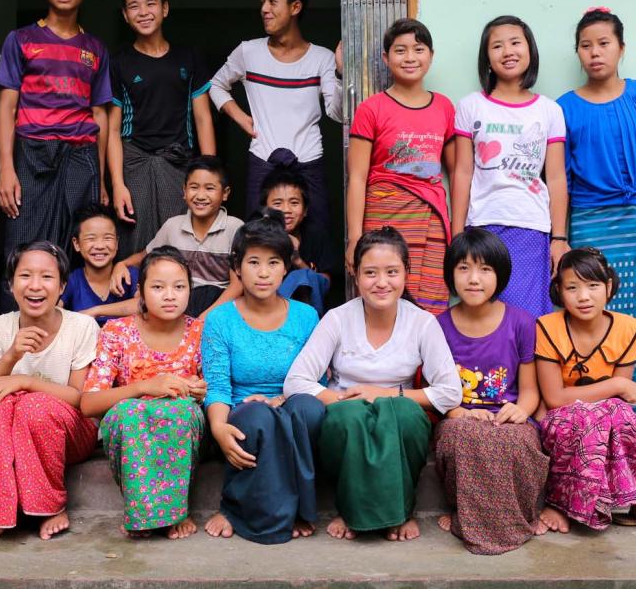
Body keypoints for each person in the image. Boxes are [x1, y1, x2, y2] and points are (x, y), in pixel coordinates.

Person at [557, 8, 636, 458]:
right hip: (592, 222)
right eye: (587, 45)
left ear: (621, 48)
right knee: (595, 321)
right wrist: (561, 236)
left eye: (604, 43)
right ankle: (607, 419)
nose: (595, 52)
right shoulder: (564, 107)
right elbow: (561, 181)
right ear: (578, 52)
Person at [284, 227, 462, 542]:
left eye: (391, 272)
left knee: (405, 416)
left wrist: (385, 394)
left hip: (397, 413)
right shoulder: (337, 319)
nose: (381, 282)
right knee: (350, 418)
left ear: (406, 273)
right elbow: (296, 381)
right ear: (355, 276)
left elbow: (450, 392)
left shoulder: (422, 323)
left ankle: (400, 511)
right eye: (370, 273)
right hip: (346, 413)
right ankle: (352, 511)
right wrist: (341, 399)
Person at [0, 0, 112, 309]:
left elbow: (100, 114)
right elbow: (7, 107)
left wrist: (103, 180)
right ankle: (15, 343)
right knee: (22, 246)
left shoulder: (94, 48)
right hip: (31, 153)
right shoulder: (21, 40)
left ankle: (71, 346)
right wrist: (5, 169)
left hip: (80, 155)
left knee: (76, 249)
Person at [201, 211, 323, 544]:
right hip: (244, 409)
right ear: (237, 268)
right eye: (253, 262)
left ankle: (291, 509)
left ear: (286, 267)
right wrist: (218, 426)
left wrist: (280, 399)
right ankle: (254, 513)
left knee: (309, 410)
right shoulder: (220, 320)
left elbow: (318, 378)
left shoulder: (306, 316)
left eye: (273, 262)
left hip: (292, 400)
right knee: (258, 417)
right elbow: (217, 384)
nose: (263, 273)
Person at [535, 248, 636, 536]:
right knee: (587, 419)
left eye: (593, 286)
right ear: (559, 291)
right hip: (559, 420)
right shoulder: (547, 327)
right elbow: (555, 398)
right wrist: (616, 384)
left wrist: (616, 392)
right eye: (572, 287)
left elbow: (618, 404)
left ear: (608, 286)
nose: (583, 296)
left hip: (605, 418)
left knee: (620, 416)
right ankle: (560, 502)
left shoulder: (626, 328)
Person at [0, 241, 98, 542]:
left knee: (33, 405)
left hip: (71, 435)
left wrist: (24, 382)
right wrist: (11, 355)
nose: (35, 286)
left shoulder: (82, 327)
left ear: (63, 285)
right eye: (25, 276)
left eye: (47, 277)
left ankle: (50, 506)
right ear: (11, 285)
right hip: (11, 433)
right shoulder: (1, 327)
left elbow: (81, 399)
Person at [434, 228, 548, 555]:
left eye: (485, 269)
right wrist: (461, 413)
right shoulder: (437, 327)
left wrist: (522, 411)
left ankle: (512, 517)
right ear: (451, 273)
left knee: (519, 442)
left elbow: (529, 390)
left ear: (500, 275)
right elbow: (436, 394)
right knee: (466, 436)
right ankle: (471, 517)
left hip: (508, 418)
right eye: (464, 268)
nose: (474, 279)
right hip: (459, 418)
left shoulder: (522, 322)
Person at [80, 246, 207, 539]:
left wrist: (201, 390)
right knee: (128, 412)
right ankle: (147, 513)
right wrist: (142, 388)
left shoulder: (200, 332)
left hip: (184, 423)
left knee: (178, 410)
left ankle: (172, 512)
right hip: (133, 419)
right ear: (140, 291)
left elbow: (217, 390)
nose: (170, 295)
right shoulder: (116, 332)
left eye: (179, 286)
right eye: (158, 287)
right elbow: (88, 403)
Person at [449, 15, 569, 318]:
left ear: (530, 50)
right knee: (486, 316)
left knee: (528, 319)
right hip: (484, 226)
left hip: (532, 227)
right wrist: (457, 234)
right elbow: (462, 172)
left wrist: (559, 238)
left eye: (516, 43)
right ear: (487, 58)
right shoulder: (471, 106)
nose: (508, 51)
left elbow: (555, 178)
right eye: (497, 46)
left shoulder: (549, 110)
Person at [208, 0, 342, 225]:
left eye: (272, 1)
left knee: (316, 240)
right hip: (263, 162)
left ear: (295, 7)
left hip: (309, 162)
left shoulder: (323, 58)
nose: (264, 9)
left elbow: (337, 113)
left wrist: (340, 73)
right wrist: (241, 118)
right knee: (259, 240)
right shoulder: (248, 51)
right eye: (262, 2)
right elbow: (216, 85)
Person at [346, 18, 455, 315]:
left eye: (418, 49)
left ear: (430, 55)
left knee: (430, 306)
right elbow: (356, 177)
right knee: (382, 296)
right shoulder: (371, 108)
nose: (409, 58)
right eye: (400, 50)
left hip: (431, 218)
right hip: (384, 217)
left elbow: (457, 173)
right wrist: (355, 238)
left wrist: (457, 230)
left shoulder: (444, 107)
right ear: (386, 57)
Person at [108, 0, 216, 255]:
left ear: (165, 8)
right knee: (135, 239)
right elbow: (113, 129)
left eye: (151, 3)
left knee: (181, 239)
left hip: (179, 161)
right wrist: (117, 184)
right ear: (124, 15)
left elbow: (203, 117)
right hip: (134, 162)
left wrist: (211, 174)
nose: (143, 12)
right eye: (134, 6)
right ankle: (134, 298)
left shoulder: (188, 57)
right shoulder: (118, 62)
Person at [112, 155, 242, 318]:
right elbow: (145, 257)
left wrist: (204, 319)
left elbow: (237, 286)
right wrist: (121, 264)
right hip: (177, 302)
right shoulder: (172, 226)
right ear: (184, 191)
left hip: (218, 307)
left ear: (225, 193)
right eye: (194, 187)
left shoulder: (235, 228)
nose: (200, 196)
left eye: (209, 188)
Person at [260, 166, 336, 314]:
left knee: (301, 276)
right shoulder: (256, 238)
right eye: (277, 204)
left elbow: (324, 285)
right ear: (265, 210)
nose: (286, 210)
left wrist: (297, 260)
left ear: (305, 210)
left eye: (294, 203)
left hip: (308, 314)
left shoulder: (316, 235)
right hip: (266, 312)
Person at [63, 203, 139, 324]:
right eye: (91, 238)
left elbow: (144, 304)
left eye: (107, 238)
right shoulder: (72, 280)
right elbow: (53, 312)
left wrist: (96, 311)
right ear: (76, 244)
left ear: (117, 243)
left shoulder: (130, 275)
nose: (99, 246)